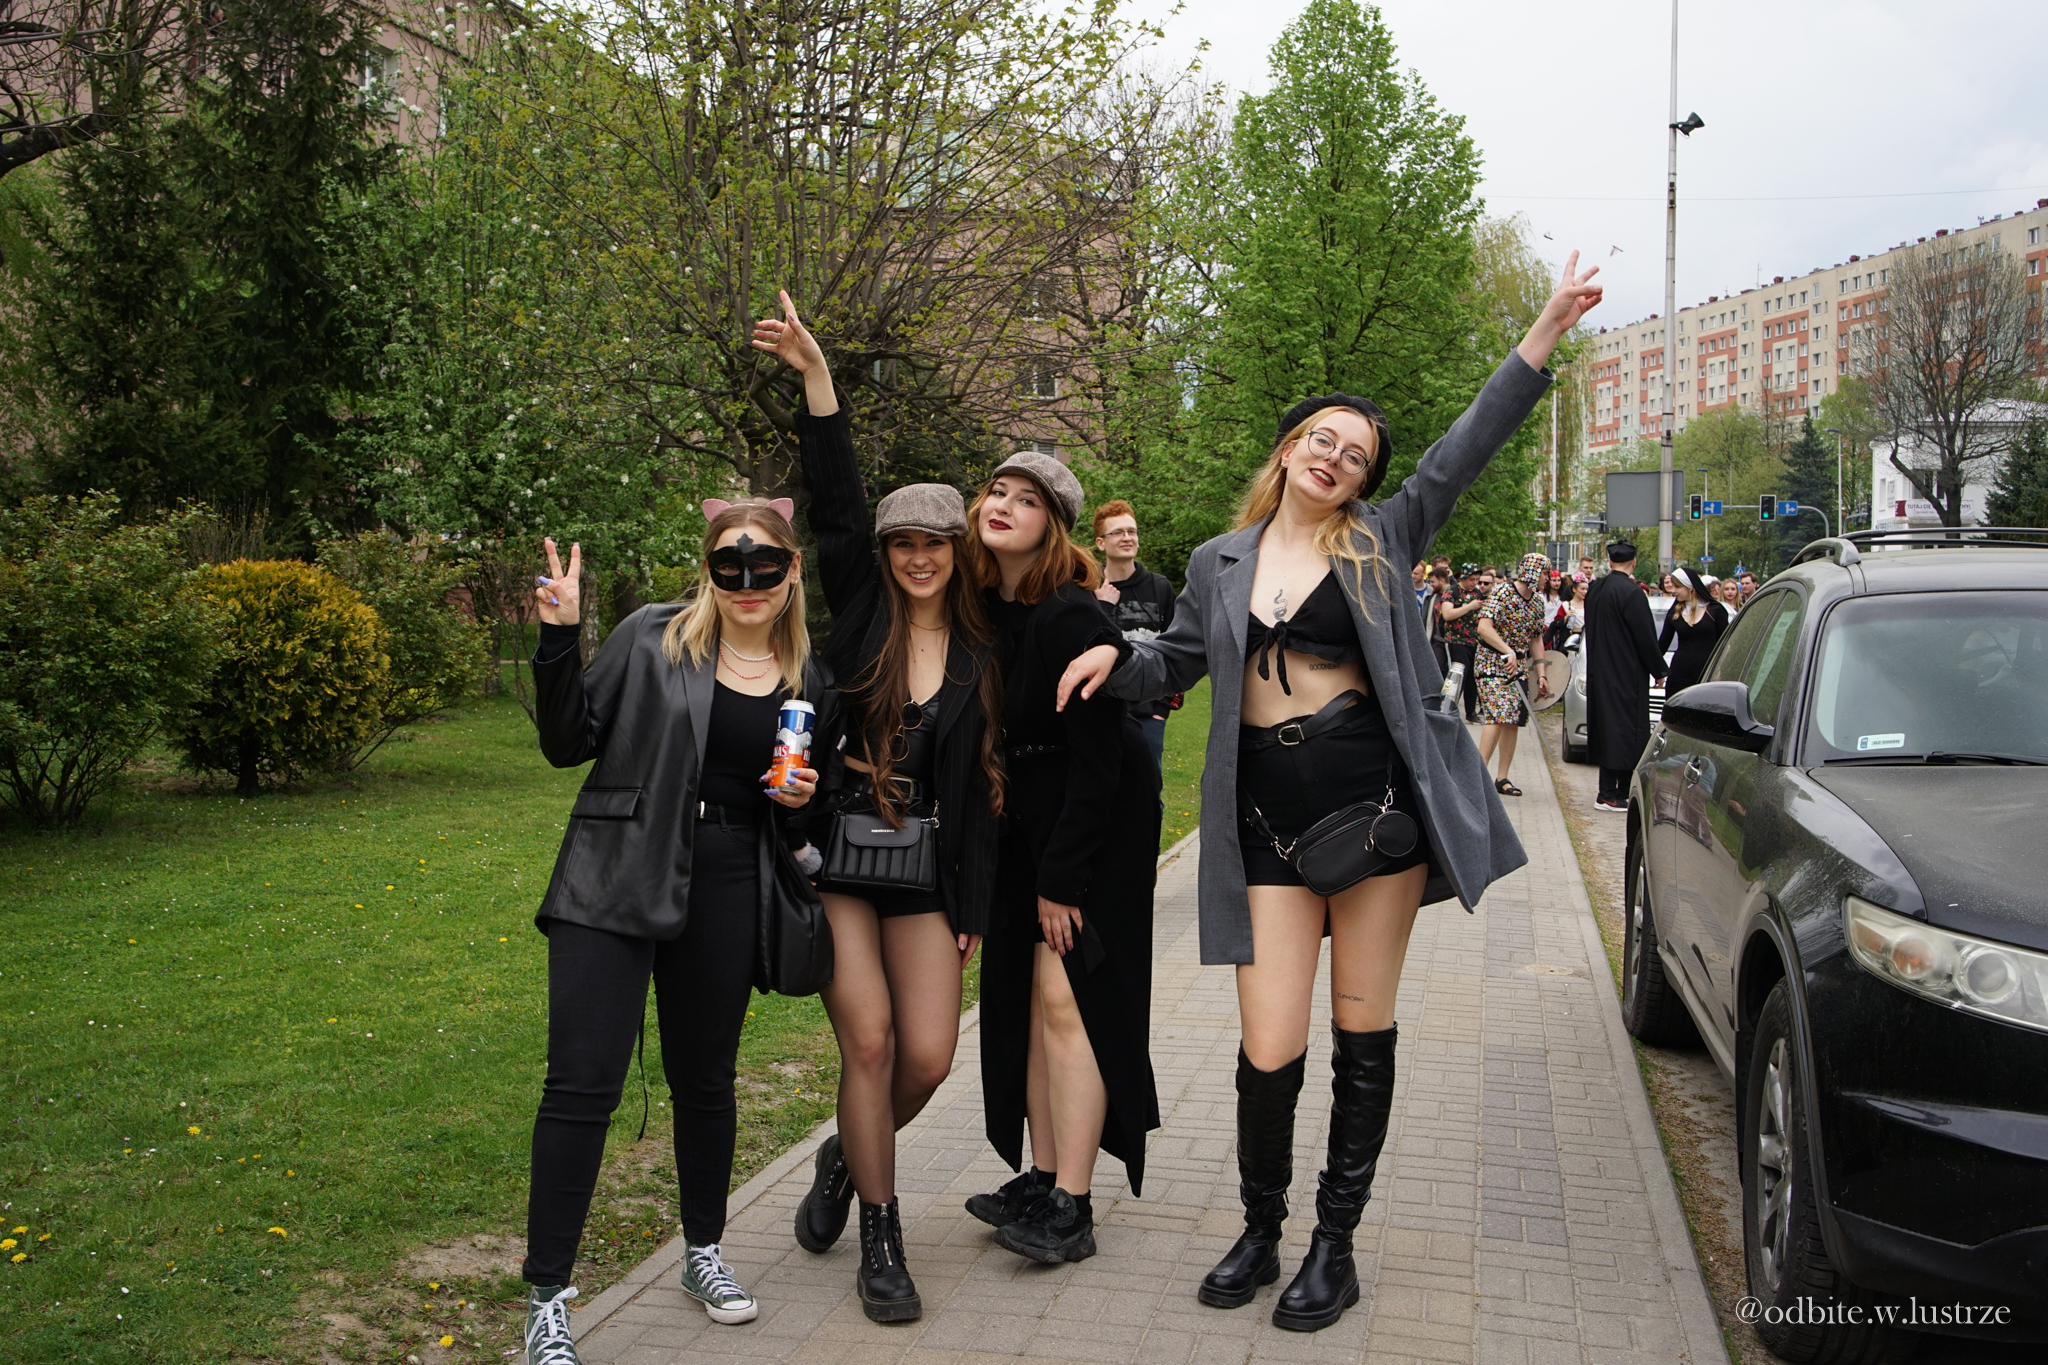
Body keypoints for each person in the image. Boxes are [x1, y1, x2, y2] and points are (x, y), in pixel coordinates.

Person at [1056, 252, 1602, 1332]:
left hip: (1372, 817)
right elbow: (1175, 660)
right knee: (1267, 1047)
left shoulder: (1380, 540)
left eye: (1355, 454)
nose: (1335, 458)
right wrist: (1117, 660)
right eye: (1322, 439)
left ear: (1363, 479)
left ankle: (1332, 1244)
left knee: (1361, 1028)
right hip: (1261, 820)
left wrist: (1542, 332)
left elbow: (1463, 449)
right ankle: (1260, 1228)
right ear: (1288, 447)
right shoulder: (1218, 560)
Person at [519, 507, 826, 1362]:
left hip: (726, 878)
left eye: (765, 567)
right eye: (729, 567)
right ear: (707, 569)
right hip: (615, 870)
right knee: (582, 1084)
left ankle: (703, 1252)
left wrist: (801, 800)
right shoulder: (652, 636)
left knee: (706, 1079)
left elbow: (807, 803)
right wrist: (559, 635)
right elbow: (566, 741)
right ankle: (547, 1298)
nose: (748, 584)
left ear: (793, 569)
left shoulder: (807, 672)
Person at [754, 294, 1003, 1323]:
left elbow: (984, 791)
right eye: (903, 543)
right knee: (867, 1045)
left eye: (935, 543)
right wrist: (819, 381)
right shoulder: (862, 613)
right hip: (841, 859)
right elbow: (835, 503)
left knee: (928, 1058)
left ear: (957, 551)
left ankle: (842, 1159)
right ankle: (882, 1237)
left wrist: (973, 907)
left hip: (929, 871)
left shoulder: (984, 647)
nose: (917, 557)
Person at [962, 452, 1162, 1266]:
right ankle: (1045, 1178)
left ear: (1055, 524)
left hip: (1093, 824)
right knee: (1032, 1003)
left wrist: (1062, 878)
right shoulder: (994, 609)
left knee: (1067, 997)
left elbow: (1102, 762)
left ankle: (1072, 1206)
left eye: (1027, 499)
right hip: (1029, 821)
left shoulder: (1071, 615)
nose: (1004, 504)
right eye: (997, 491)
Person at [1091, 500, 1180, 778]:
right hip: (1100, 711)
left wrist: (1162, 709)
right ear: (1101, 543)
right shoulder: (1088, 586)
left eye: (1132, 531)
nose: (1127, 537)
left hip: (1148, 713)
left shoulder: (1159, 587)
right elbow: (1082, 645)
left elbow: (1177, 646)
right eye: (1117, 532)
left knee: (1148, 790)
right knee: (1103, 787)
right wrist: (1102, 607)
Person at [1583, 541, 1668, 813]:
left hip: (1599, 671)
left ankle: (1607, 792)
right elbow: (1644, 636)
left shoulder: (1595, 590)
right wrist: (1659, 670)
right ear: (1634, 562)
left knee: (1606, 729)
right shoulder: (1632, 593)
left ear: (1609, 562)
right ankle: (1616, 793)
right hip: (1626, 673)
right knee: (1626, 731)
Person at [1473, 553, 1552, 798]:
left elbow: (1536, 639)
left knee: (1512, 720)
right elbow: (1483, 627)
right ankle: (1477, 777)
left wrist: (1541, 674)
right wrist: (1507, 650)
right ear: (1532, 572)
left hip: (1516, 667)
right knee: (1498, 714)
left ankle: (1502, 778)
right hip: (1491, 663)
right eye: (1545, 573)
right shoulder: (1502, 592)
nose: (1547, 579)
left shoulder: (1537, 601)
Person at [1657, 565, 1727, 698]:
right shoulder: (1674, 612)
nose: (1674, 591)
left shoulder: (1715, 610)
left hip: (1707, 675)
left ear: (1690, 587)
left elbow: (1726, 643)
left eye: (1678, 587)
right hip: (1679, 676)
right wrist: (1656, 670)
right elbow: (1661, 646)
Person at [1439, 565, 1489, 723]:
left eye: (1477, 580)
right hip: (1456, 640)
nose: (1475, 583)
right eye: (1472, 580)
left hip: (1475, 641)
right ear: (1463, 578)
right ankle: (1450, 709)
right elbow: (1447, 614)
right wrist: (1469, 607)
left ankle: (1471, 712)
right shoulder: (1452, 591)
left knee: (1472, 678)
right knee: (1457, 675)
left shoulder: (1477, 593)